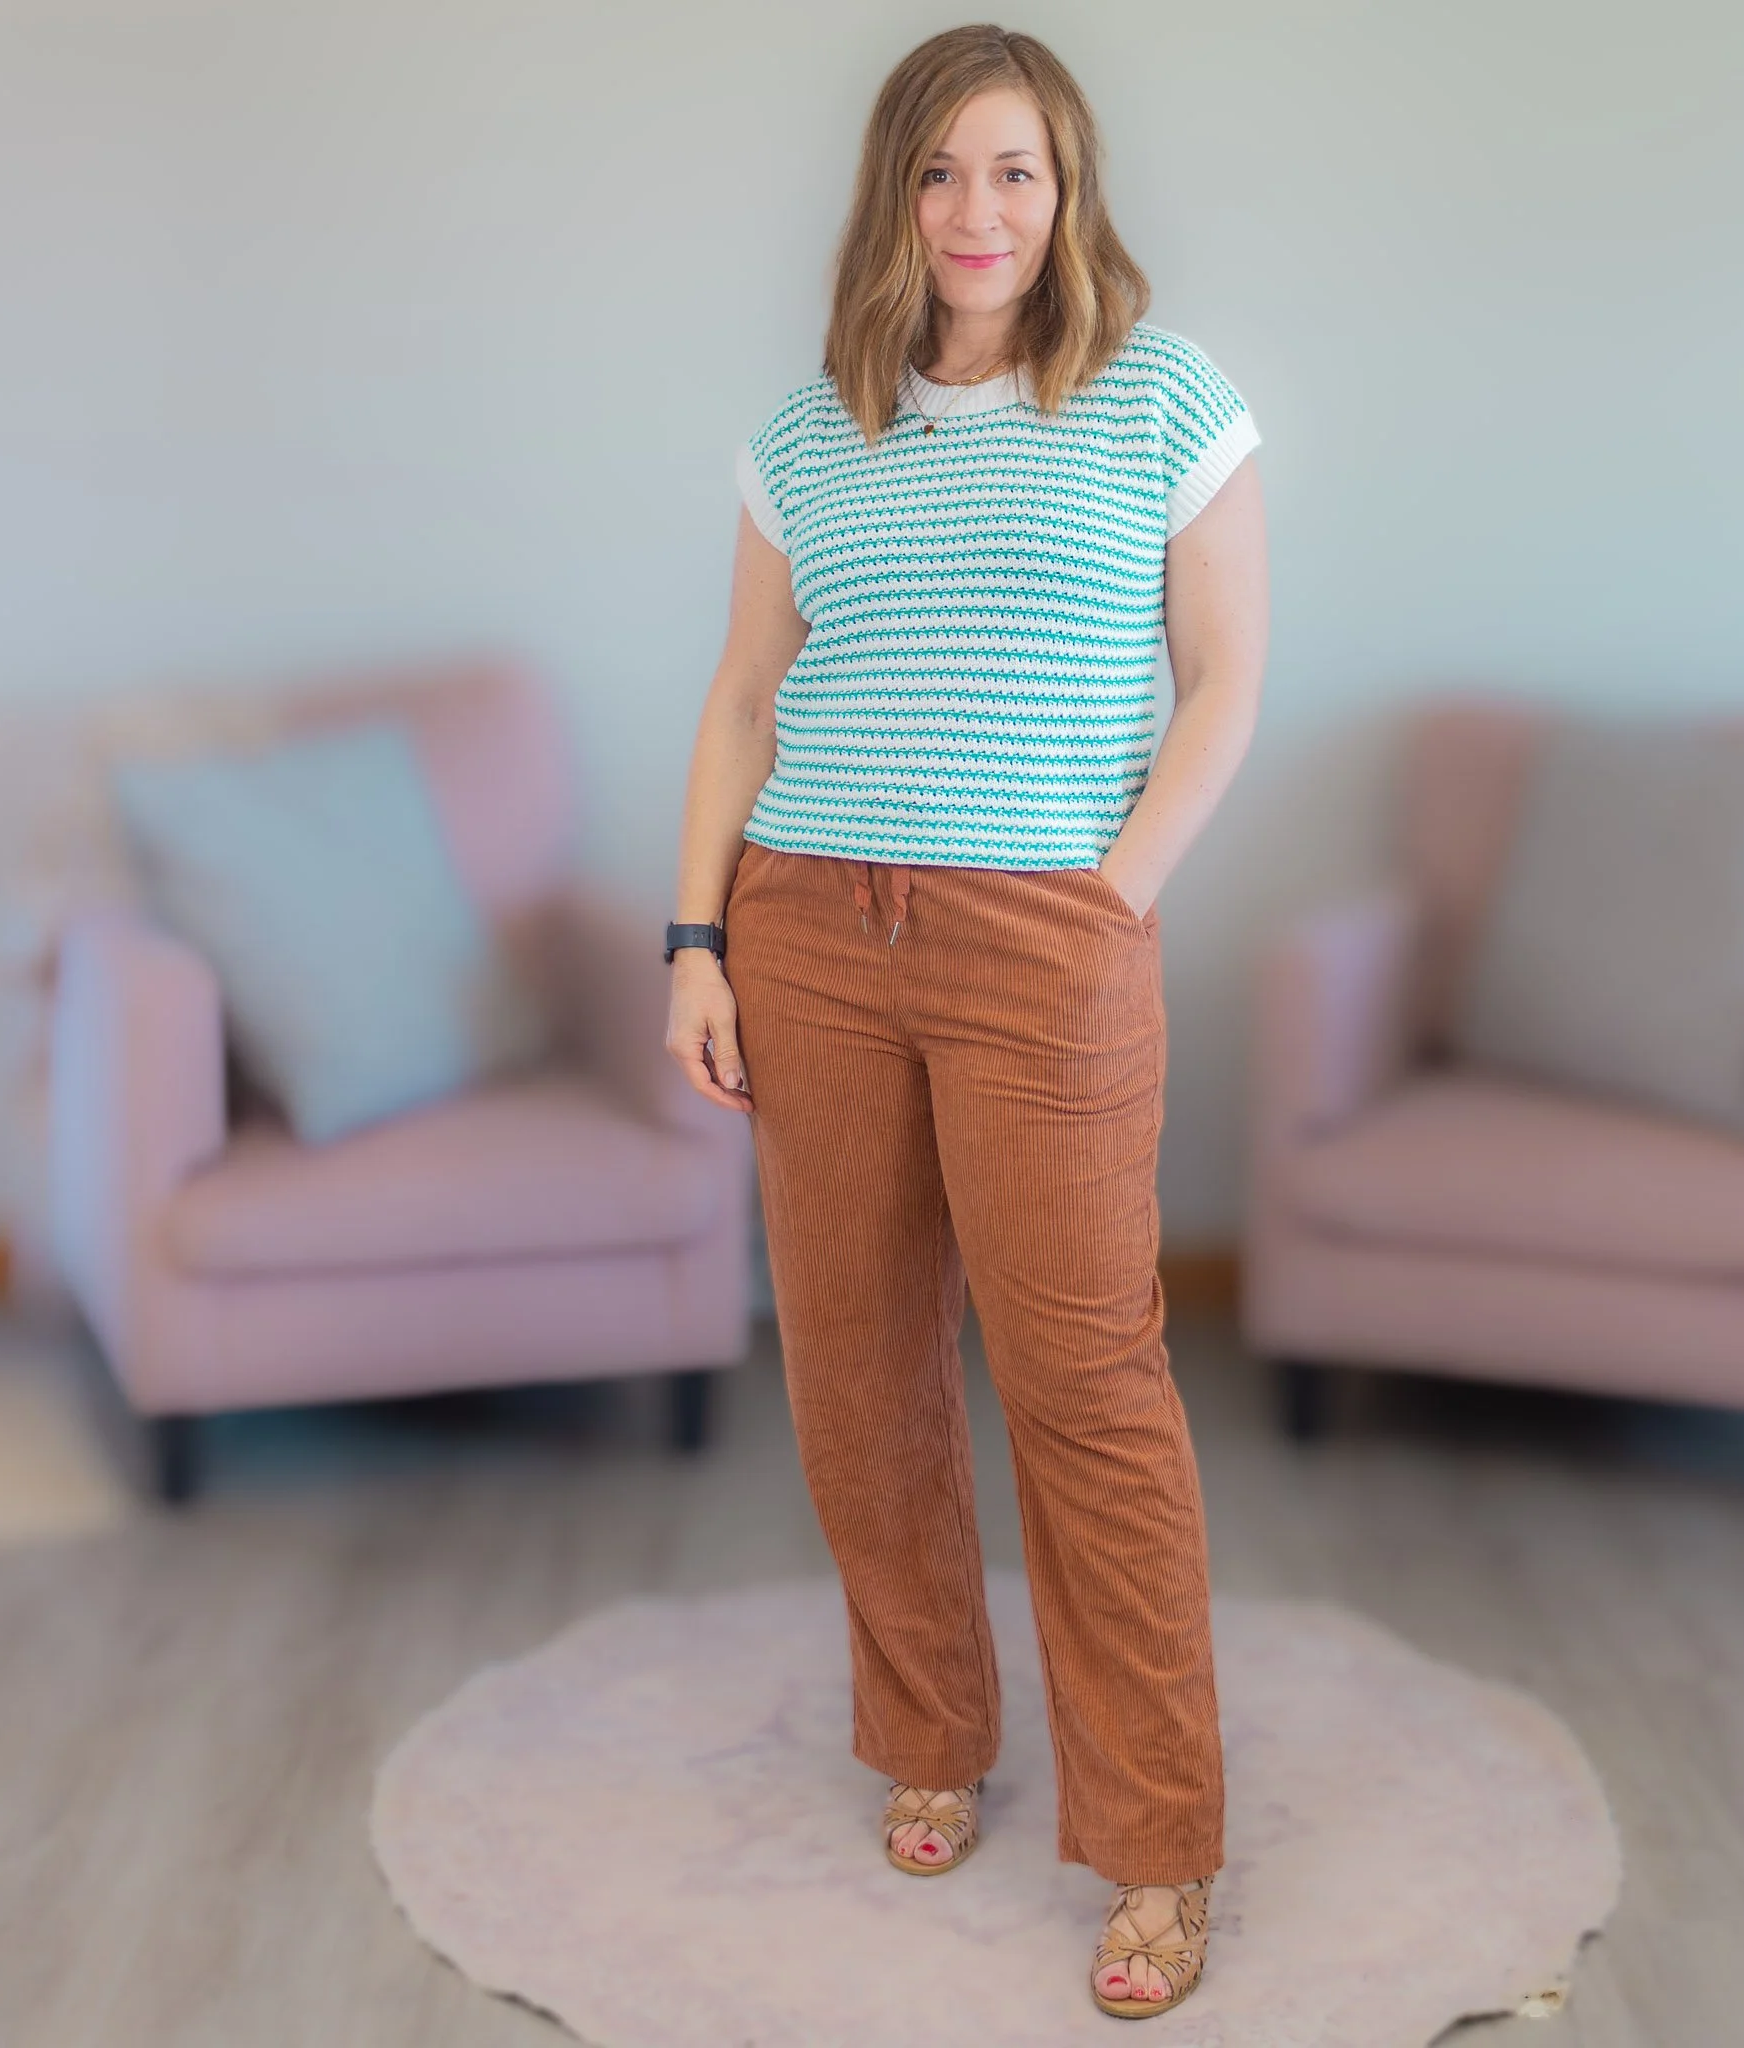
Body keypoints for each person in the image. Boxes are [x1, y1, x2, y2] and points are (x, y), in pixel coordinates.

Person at [665, 20, 1267, 2021]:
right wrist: (695, 936)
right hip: (812, 928)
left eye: (1012, 171)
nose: (977, 212)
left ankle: (1163, 1838)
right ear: (891, 199)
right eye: (939, 173)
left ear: (1065, 189)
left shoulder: (1163, 399)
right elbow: (745, 700)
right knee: (854, 1370)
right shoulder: (808, 429)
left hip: (1045, 943)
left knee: (1085, 1391)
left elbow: (1224, 684)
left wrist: (1114, 898)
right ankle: (933, 1722)